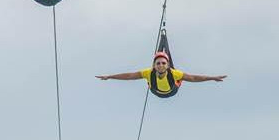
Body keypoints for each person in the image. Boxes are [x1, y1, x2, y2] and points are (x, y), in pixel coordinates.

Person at [96, 51, 226, 98]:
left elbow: (192, 78)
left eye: (163, 63)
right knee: (147, 77)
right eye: (158, 63)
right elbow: (130, 76)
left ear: (167, 65)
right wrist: (110, 76)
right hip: (155, 91)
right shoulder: (148, 72)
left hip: (171, 91)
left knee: (181, 78)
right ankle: (162, 49)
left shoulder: (174, 73)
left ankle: (165, 50)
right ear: (154, 65)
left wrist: (212, 78)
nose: (160, 65)